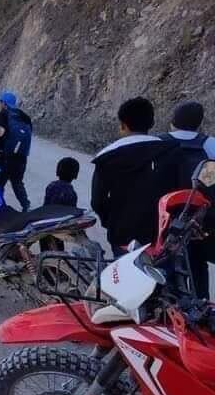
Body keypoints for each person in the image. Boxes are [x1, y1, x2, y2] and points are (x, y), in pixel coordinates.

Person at [91, 97, 180, 255]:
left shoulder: (106, 158)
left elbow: (98, 201)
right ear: (152, 123)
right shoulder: (171, 151)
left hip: (123, 236)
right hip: (161, 236)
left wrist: (111, 222)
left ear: (122, 125)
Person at [161, 101, 215, 299]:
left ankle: (169, 305)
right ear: (199, 123)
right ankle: (202, 304)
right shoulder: (211, 144)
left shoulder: (158, 142)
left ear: (173, 121)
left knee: (163, 263)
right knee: (198, 264)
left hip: (164, 217)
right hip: (199, 219)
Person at [0, 91, 32, 212]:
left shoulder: (2, 115)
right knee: (17, 182)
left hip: (6, 155)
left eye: (1, 102)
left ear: (5, 103)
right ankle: (26, 205)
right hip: (21, 156)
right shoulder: (25, 116)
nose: (0, 104)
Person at [40, 157, 80, 252]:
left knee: (46, 251)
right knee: (57, 252)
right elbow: (72, 214)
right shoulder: (71, 193)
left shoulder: (51, 186)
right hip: (59, 229)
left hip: (44, 226)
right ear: (75, 175)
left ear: (57, 171)